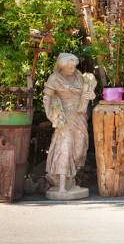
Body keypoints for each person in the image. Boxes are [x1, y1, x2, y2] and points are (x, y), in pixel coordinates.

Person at [43, 53, 97, 199]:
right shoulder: (54, 79)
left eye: (74, 66)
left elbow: (89, 93)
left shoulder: (79, 76)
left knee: (79, 148)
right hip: (65, 118)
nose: (73, 69)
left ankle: (70, 182)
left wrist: (90, 95)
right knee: (65, 148)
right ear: (62, 67)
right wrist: (52, 115)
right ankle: (61, 186)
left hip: (79, 116)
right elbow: (47, 97)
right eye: (70, 67)